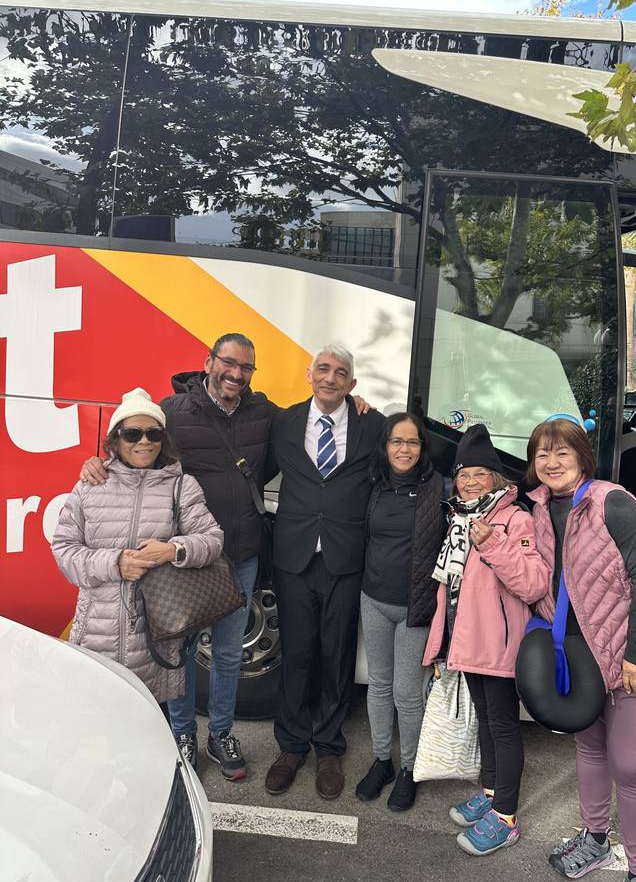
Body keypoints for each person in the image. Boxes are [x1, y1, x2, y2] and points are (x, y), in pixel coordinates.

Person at [80, 333, 278, 780]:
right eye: (228, 363)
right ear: (209, 362)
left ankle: (221, 733)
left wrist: (357, 404)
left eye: (246, 367)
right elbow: (135, 446)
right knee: (181, 651)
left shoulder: (264, 413)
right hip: (181, 557)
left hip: (238, 554)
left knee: (228, 654)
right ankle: (183, 731)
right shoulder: (172, 411)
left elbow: (310, 423)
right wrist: (96, 463)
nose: (236, 373)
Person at [526, 417, 636, 882]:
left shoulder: (611, 501)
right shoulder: (538, 506)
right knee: (590, 748)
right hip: (577, 652)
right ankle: (595, 838)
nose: (551, 463)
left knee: (631, 767)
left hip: (629, 655)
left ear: (582, 456)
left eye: (562, 452)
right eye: (541, 454)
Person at [423, 424, 550, 855]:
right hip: (466, 638)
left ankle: (507, 816)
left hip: (498, 642)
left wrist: (493, 542)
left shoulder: (515, 519)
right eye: (463, 475)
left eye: (479, 473)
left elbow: (532, 583)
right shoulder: (459, 517)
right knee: (485, 721)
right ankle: (491, 791)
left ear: (496, 478)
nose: (470, 481)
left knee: (503, 726)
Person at [265, 344, 385, 800]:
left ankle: (329, 748)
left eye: (341, 373)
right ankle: (291, 747)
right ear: (309, 374)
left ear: (353, 384)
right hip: (294, 556)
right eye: (324, 369)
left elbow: (407, 461)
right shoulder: (284, 422)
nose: (331, 378)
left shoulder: (372, 424)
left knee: (336, 656)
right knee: (296, 654)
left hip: (344, 558)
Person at [52, 388, 224, 706]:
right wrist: (115, 563)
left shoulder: (181, 486)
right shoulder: (90, 486)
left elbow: (212, 540)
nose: (144, 442)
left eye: (153, 433)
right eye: (132, 433)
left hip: (156, 641)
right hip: (96, 635)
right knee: (95, 725)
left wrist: (172, 550)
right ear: (116, 439)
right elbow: (64, 549)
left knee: (146, 729)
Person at [354, 413, 445, 812]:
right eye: (396, 441)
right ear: (385, 445)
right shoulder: (373, 485)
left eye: (412, 442)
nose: (404, 449)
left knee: (408, 694)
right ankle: (382, 761)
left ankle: (409, 769)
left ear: (422, 448)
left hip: (415, 606)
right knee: (378, 684)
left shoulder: (437, 489)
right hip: (372, 599)